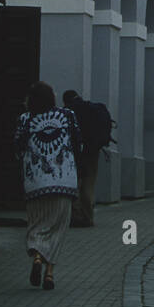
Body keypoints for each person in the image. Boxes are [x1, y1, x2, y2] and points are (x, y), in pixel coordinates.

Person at [14, 82, 81, 291]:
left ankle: (36, 257)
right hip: (64, 181)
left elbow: (18, 147)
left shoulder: (26, 119)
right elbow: (78, 144)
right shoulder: (67, 115)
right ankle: (50, 274)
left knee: (37, 224)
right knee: (58, 227)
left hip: (36, 183)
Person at [62, 88, 111, 227]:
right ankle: (88, 217)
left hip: (74, 153)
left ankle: (75, 215)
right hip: (92, 151)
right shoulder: (92, 108)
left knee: (74, 183)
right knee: (88, 184)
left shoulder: (68, 111)